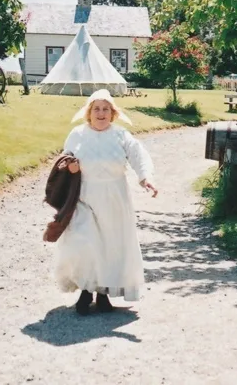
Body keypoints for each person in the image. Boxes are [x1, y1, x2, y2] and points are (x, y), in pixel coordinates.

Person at [54, 89, 158, 315]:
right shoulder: (77, 134)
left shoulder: (121, 135)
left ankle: (102, 295)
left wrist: (145, 178)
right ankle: (85, 292)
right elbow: (64, 159)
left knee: (109, 246)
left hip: (114, 199)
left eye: (106, 109)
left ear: (113, 113)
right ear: (89, 112)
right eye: (96, 109)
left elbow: (139, 157)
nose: (101, 113)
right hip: (85, 197)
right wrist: (69, 167)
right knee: (86, 243)